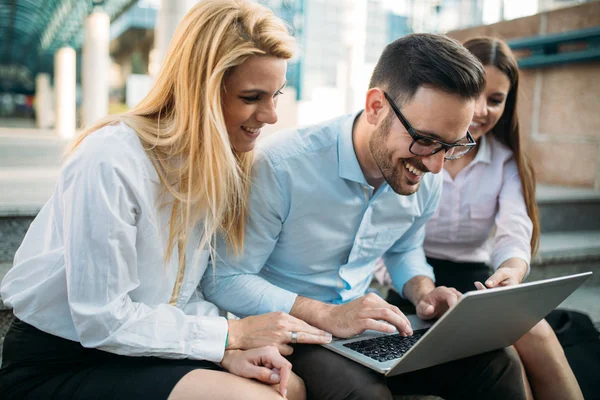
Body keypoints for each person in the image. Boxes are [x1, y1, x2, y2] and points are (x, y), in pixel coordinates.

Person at [0, 1, 333, 399]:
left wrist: (226, 350)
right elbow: (100, 319)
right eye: (251, 97)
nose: (272, 115)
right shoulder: (110, 158)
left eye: (276, 94)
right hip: (63, 361)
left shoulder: (221, 162)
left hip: (144, 350)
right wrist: (230, 334)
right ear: (201, 92)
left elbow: (183, 292)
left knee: (288, 388)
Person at [202, 33, 528, 400]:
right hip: (294, 331)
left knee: (499, 363)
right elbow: (224, 278)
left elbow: (404, 249)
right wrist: (326, 314)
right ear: (376, 107)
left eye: (453, 146)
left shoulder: (423, 171)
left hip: (367, 329)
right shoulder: (281, 167)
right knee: (365, 395)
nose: (437, 166)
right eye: (425, 139)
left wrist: (423, 291)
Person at [376, 36, 583, 400]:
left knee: (536, 334)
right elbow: (380, 241)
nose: (482, 111)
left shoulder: (506, 161)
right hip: (413, 284)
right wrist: (420, 287)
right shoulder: (408, 151)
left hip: (477, 282)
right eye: (477, 96)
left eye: (496, 100)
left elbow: (514, 229)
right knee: (502, 357)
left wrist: (512, 272)